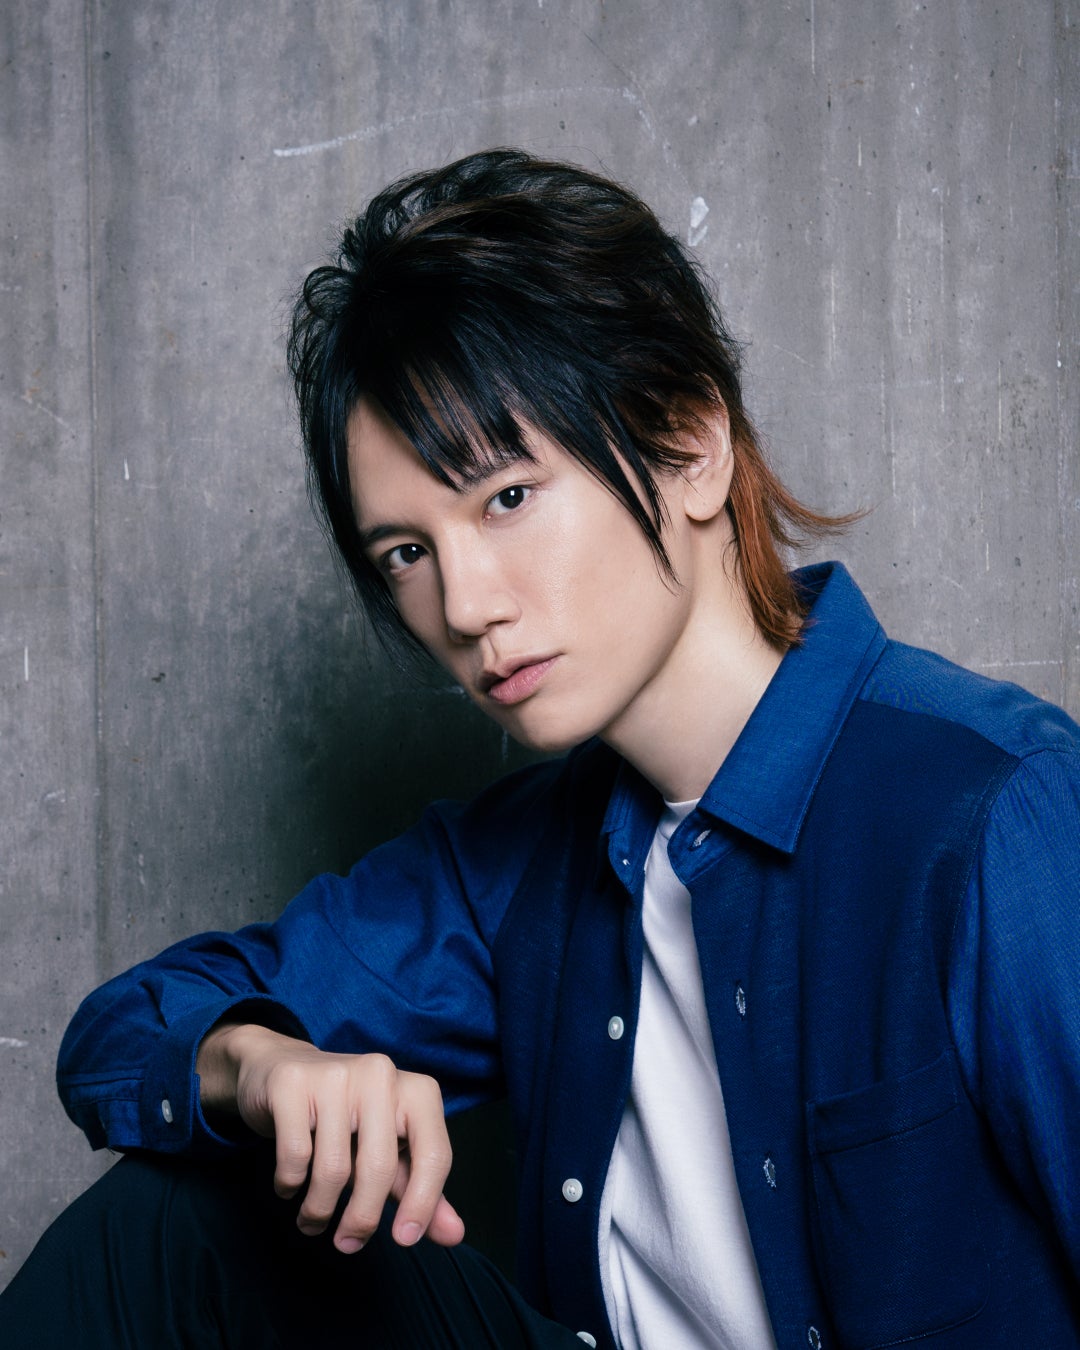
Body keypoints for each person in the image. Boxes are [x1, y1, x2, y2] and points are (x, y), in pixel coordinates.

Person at [3, 147, 1079, 1349]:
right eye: (406, 553)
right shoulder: (515, 867)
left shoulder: (998, 812)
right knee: (176, 1226)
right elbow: (124, 1031)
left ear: (690, 447)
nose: (465, 605)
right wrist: (260, 1069)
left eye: (507, 498)